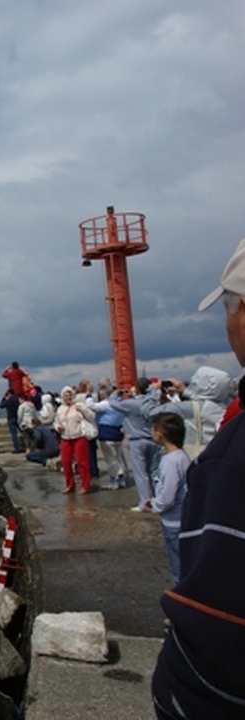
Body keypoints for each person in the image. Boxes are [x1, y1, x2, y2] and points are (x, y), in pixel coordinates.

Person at [152, 237, 245, 718]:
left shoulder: (230, 459)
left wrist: (174, 695)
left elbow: (221, 627)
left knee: (188, 563)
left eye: (230, 307)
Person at [145, 413, 189, 583]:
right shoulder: (181, 456)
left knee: (177, 564)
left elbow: (168, 496)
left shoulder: (170, 462)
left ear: (160, 435)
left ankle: (181, 591)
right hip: (182, 517)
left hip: (173, 521)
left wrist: (156, 505)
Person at [109, 378, 162, 511]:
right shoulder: (153, 402)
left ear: (137, 389)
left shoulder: (131, 404)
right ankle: (158, 499)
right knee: (154, 472)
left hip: (137, 440)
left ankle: (145, 502)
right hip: (153, 439)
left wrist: (116, 393)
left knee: (141, 474)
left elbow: (113, 404)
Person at [54, 386, 97, 494]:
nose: (68, 398)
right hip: (65, 438)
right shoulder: (60, 409)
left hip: (79, 436)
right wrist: (58, 427)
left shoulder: (79, 405)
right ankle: (70, 485)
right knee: (66, 462)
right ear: (62, 396)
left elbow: (92, 417)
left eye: (70, 395)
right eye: (66, 395)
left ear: (73, 396)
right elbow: (56, 422)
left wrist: (83, 410)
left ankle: (85, 485)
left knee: (82, 462)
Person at [90, 383, 127, 489]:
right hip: (118, 432)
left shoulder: (107, 403)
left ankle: (114, 480)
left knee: (110, 459)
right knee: (118, 456)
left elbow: (92, 406)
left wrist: (88, 396)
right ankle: (121, 479)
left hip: (107, 432)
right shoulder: (121, 403)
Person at [0, 388, 21, 452]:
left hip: (11, 417)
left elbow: (1, 406)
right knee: (23, 431)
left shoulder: (9, 401)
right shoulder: (18, 399)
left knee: (14, 434)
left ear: (8, 394)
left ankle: (17, 449)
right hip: (18, 417)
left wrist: (3, 398)